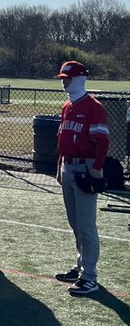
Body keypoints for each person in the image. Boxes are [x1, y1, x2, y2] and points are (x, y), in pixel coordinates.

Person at [55, 60, 109, 296]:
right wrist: (60, 165)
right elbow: (63, 138)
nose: (64, 82)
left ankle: (90, 276)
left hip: (85, 167)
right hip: (68, 165)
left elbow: (103, 140)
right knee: (75, 223)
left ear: (78, 78)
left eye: (67, 78)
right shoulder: (68, 106)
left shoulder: (93, 106)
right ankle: (80, 265)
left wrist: (96, 168)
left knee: (86, 225)